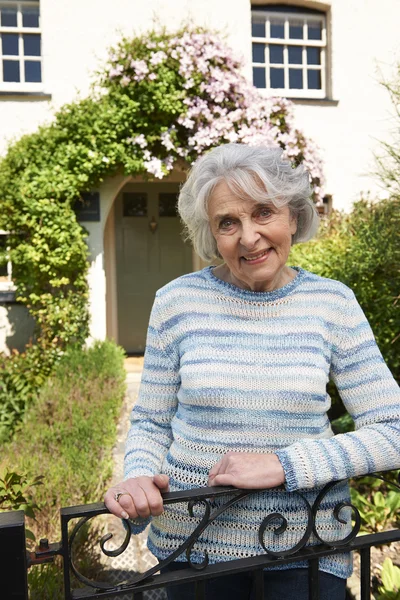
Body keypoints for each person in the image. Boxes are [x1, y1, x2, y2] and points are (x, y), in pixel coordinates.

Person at [105, 144, 400, 600]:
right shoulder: (176, 302)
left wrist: (283, 465)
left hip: (305, 552)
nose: (248, 237)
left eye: (263, 212)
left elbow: (393, 430)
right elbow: (151, 422)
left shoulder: (332, 303)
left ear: (294, 217)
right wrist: (140, 476)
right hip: (191, 549)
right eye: (228, 222)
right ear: (212, 234)